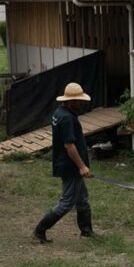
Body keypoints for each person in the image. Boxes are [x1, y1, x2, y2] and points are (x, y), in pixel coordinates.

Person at [33, 82, 95, 243]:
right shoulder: (67, 118)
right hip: (70, 165)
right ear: (70, 101)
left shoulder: (60, 112)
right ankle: (40, 230)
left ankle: (87, 232)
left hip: (67, 163)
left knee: (82, 199)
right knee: (67, 202)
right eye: (78, 101)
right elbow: (69, 145)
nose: (81, 103)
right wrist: (81, 166)